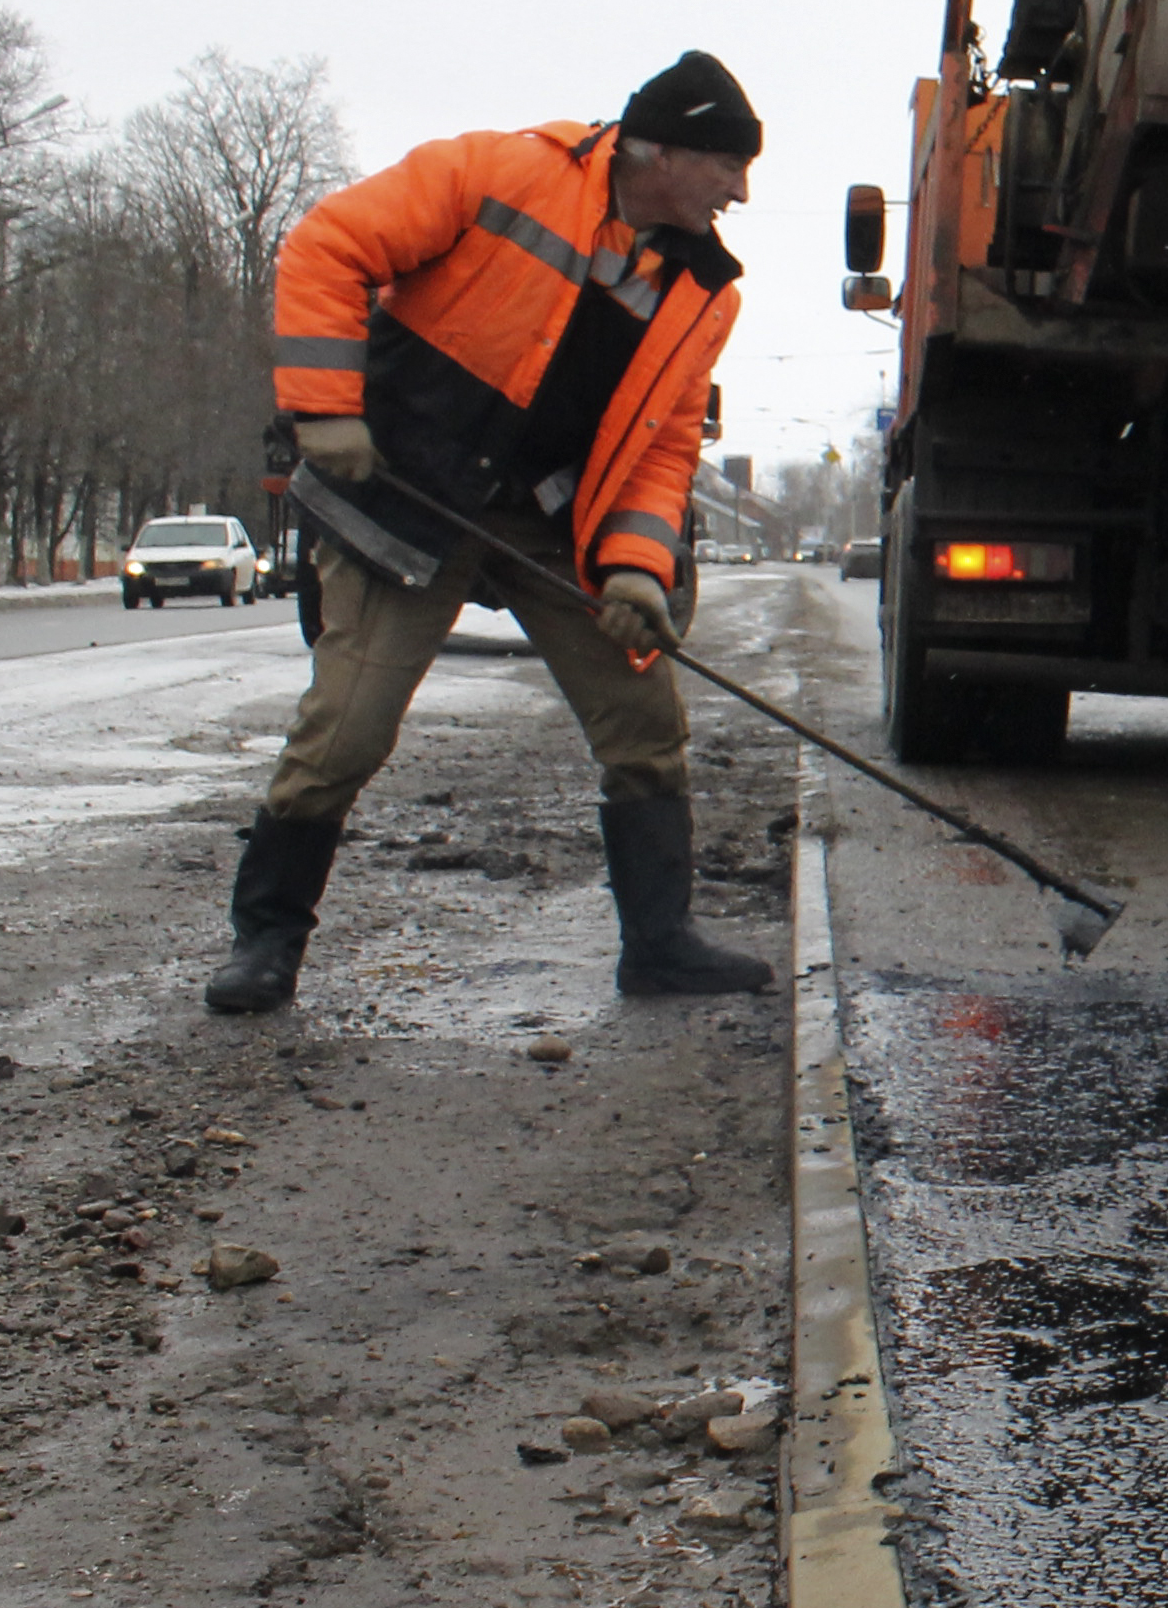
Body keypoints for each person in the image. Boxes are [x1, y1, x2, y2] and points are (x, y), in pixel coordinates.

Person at [209, 53, 772, 1014]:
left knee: (645, 725)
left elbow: (660, 448)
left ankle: (660, 946)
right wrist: (324, 406)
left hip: (550, 522)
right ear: (660, 151)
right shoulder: (497, 174)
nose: (741, 192)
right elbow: (327, 246)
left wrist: (637, 572)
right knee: (347, 732)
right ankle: (266, 941)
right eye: (727, 165)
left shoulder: (704, 292)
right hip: (409, 500)